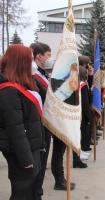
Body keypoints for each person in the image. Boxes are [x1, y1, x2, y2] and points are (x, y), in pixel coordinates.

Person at [0, 44, 44, 199]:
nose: (33, 63)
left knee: (29, 191)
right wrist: (26, 160)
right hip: (20, 154)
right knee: (22, 193)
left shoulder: (19, 85)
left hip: (29, 149)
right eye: (30, 59)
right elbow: (16, 130)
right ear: (20, 62)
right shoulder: (9, 91)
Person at [30, 42, 76, 191]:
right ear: (39, 56)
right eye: (48, 55)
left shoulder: (43, 75)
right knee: (40, 161)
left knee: (51, 156)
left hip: (51, 120)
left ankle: (42, 188)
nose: (51, 59)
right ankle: (38, 190)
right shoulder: (34, 77)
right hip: (43, 123)